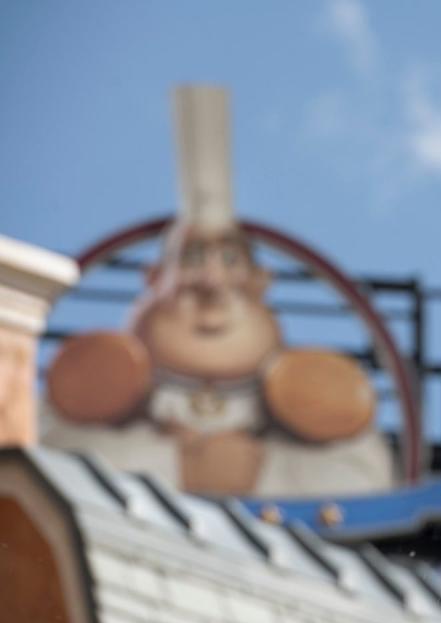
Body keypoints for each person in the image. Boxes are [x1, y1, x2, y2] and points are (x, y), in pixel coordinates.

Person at [41, 87, 394, 497]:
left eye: (230, 262)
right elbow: (47, 454)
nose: (212, 283)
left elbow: (366, 479)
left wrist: (257, 470)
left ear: (260, 283)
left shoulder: (298, 400)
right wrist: (179, 466)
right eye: (191, 260)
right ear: (154, 279)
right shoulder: (97, 396)